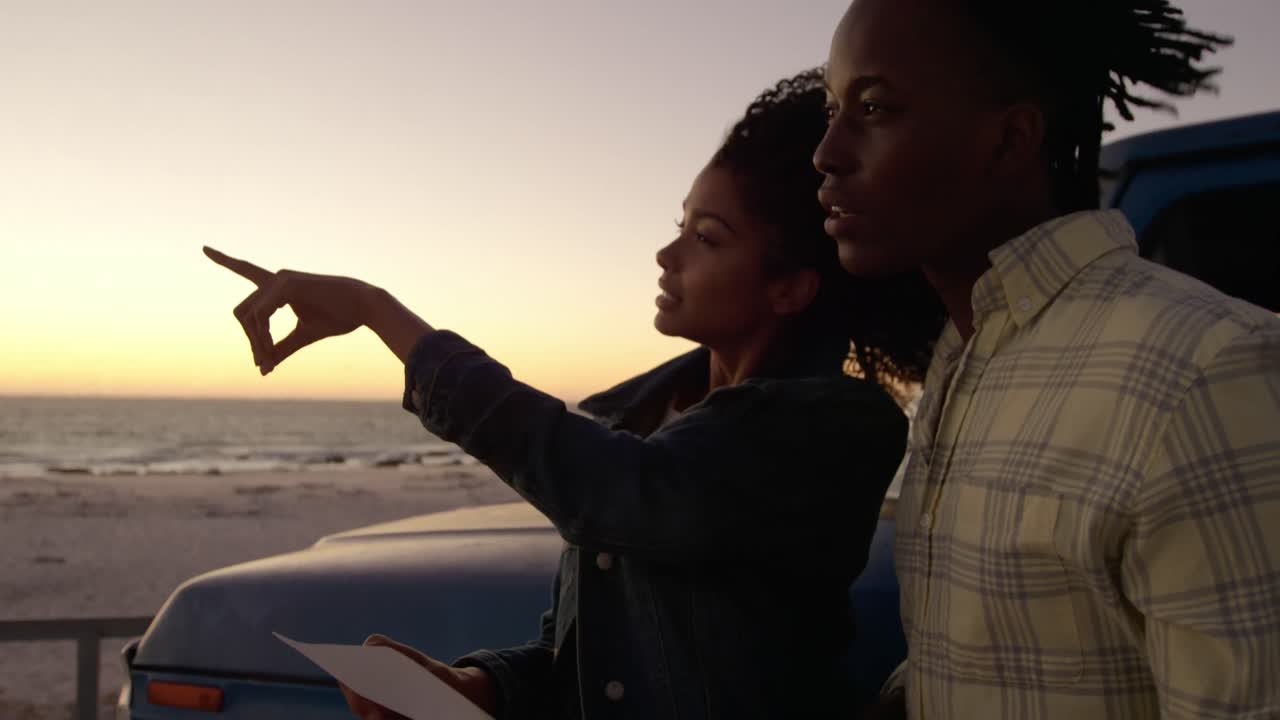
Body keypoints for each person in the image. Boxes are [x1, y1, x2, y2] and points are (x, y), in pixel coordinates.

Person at [205, 69, 946, 719]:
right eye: (680, 226)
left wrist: (379, 312)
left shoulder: (830, 430)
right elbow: (596, 659)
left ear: (790, 287)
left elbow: (624, 492)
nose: (667, 253)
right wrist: (477, 686)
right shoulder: (645, 419)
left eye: (707, 237)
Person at [815, 1, 1280, 718]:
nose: (827, 152)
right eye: (832, 108)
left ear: (1008, 140)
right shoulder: (967, 354)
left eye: (873, 107)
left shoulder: (1204, 370)